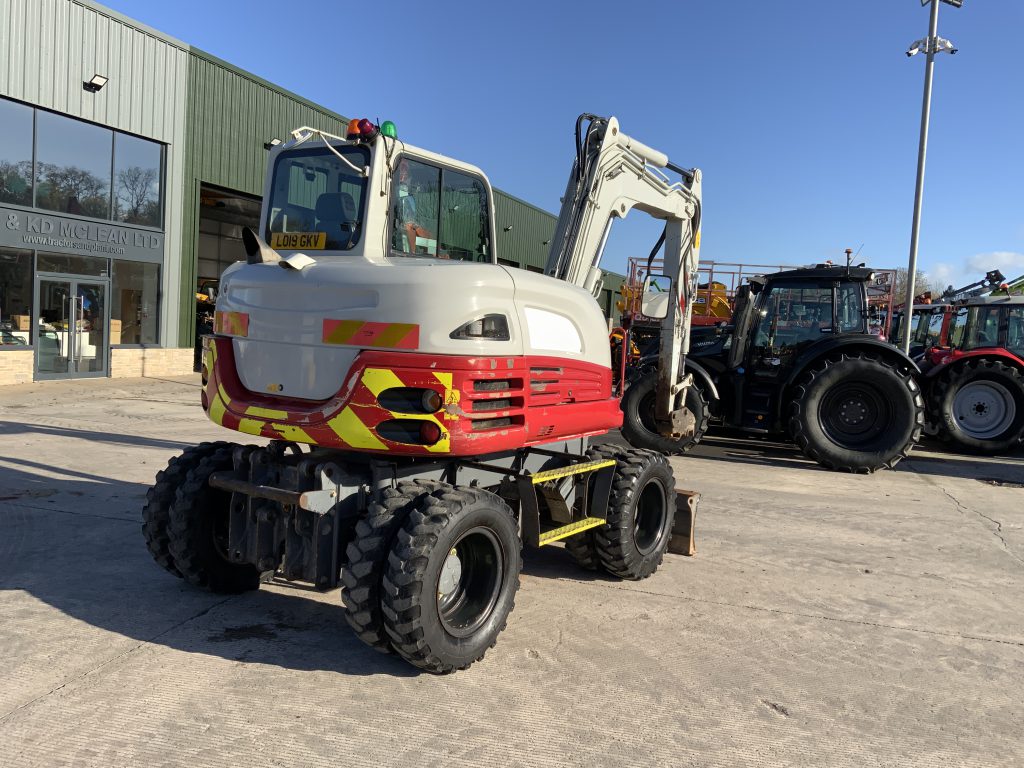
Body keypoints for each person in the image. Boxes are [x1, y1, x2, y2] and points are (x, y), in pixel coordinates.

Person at [394, 159, 438, 256]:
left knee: (429, 237)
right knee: (412, 230)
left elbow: (410, 220)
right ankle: (414, 254)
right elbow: (407, 224)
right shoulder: (399, 190)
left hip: (409, 226)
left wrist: (417, 227)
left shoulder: (409, 194)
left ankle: (434, 255)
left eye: (405, 170)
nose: (404, 173)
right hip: (401, 229)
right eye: (401, 169)